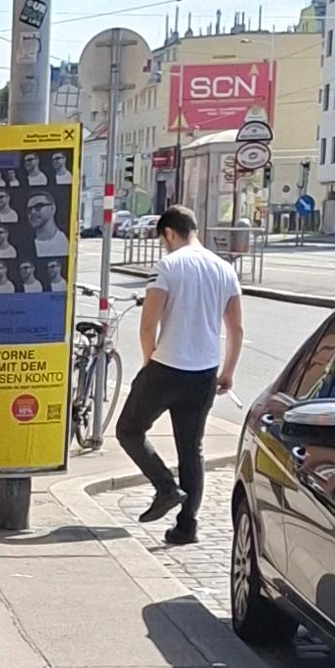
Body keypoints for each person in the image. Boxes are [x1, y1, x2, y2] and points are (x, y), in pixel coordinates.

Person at [116, 202, 241, 548]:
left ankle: (165, 486)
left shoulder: (167, 266)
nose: (163, 245)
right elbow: (236, 329)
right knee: (192, 449)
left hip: (166, 366)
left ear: (170, 233)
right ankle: (187, 528)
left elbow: (147, 325)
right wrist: (227, 371)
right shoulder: (224, 269)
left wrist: (148, 361)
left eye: (162, 239)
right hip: (204, 373)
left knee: (129, 430)